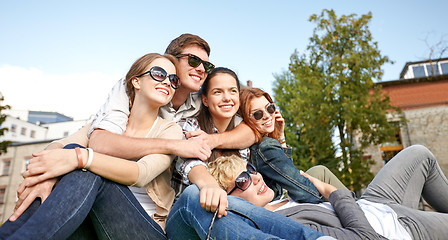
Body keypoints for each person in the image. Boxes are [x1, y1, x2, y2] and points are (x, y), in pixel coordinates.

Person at [13, 33, 257, 222]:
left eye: (207, 65)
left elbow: (250, 128)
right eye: (193, 61)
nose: (201, 69)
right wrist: (50, 168)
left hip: (157, 205)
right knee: (80, 169)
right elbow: (96, 139)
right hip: (116, 190)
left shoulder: (202, 98)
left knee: (87, 170)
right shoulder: (132, 87)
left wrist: (211, 142)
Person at [0, 53, 183, 239]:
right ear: (136, 81)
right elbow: (56, 147)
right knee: (72, 151)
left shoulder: (170, 131)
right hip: (94, 226)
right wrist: (47, 178)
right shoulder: (104, 125)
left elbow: (141, 173)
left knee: (87, 165)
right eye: (159, 74)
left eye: (173, 79)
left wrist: (82, 158)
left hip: (143, 231)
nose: (168, 82)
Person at [172, 144, 448, 240]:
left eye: (251, 170)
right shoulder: (285, 225)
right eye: (243, 180)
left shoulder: (284, 199)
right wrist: (332, 192)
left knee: (418, 154)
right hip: (395, 227)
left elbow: (278, 158)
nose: (255, 178)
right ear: (231, 201)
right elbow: (364, 236)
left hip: (373, 201)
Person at [240, 88, 347, 202]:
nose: (267, 115)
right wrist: (323, 188)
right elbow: (306, 193)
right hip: (278, 204)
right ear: (246, 119)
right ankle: (356, 210)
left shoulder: (257, 145)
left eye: (270, 108)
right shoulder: (265, 147)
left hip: (278, 198)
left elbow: (288, 173)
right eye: (258, 114)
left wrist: (281, 137)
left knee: (320, 171)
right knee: (322, 177)